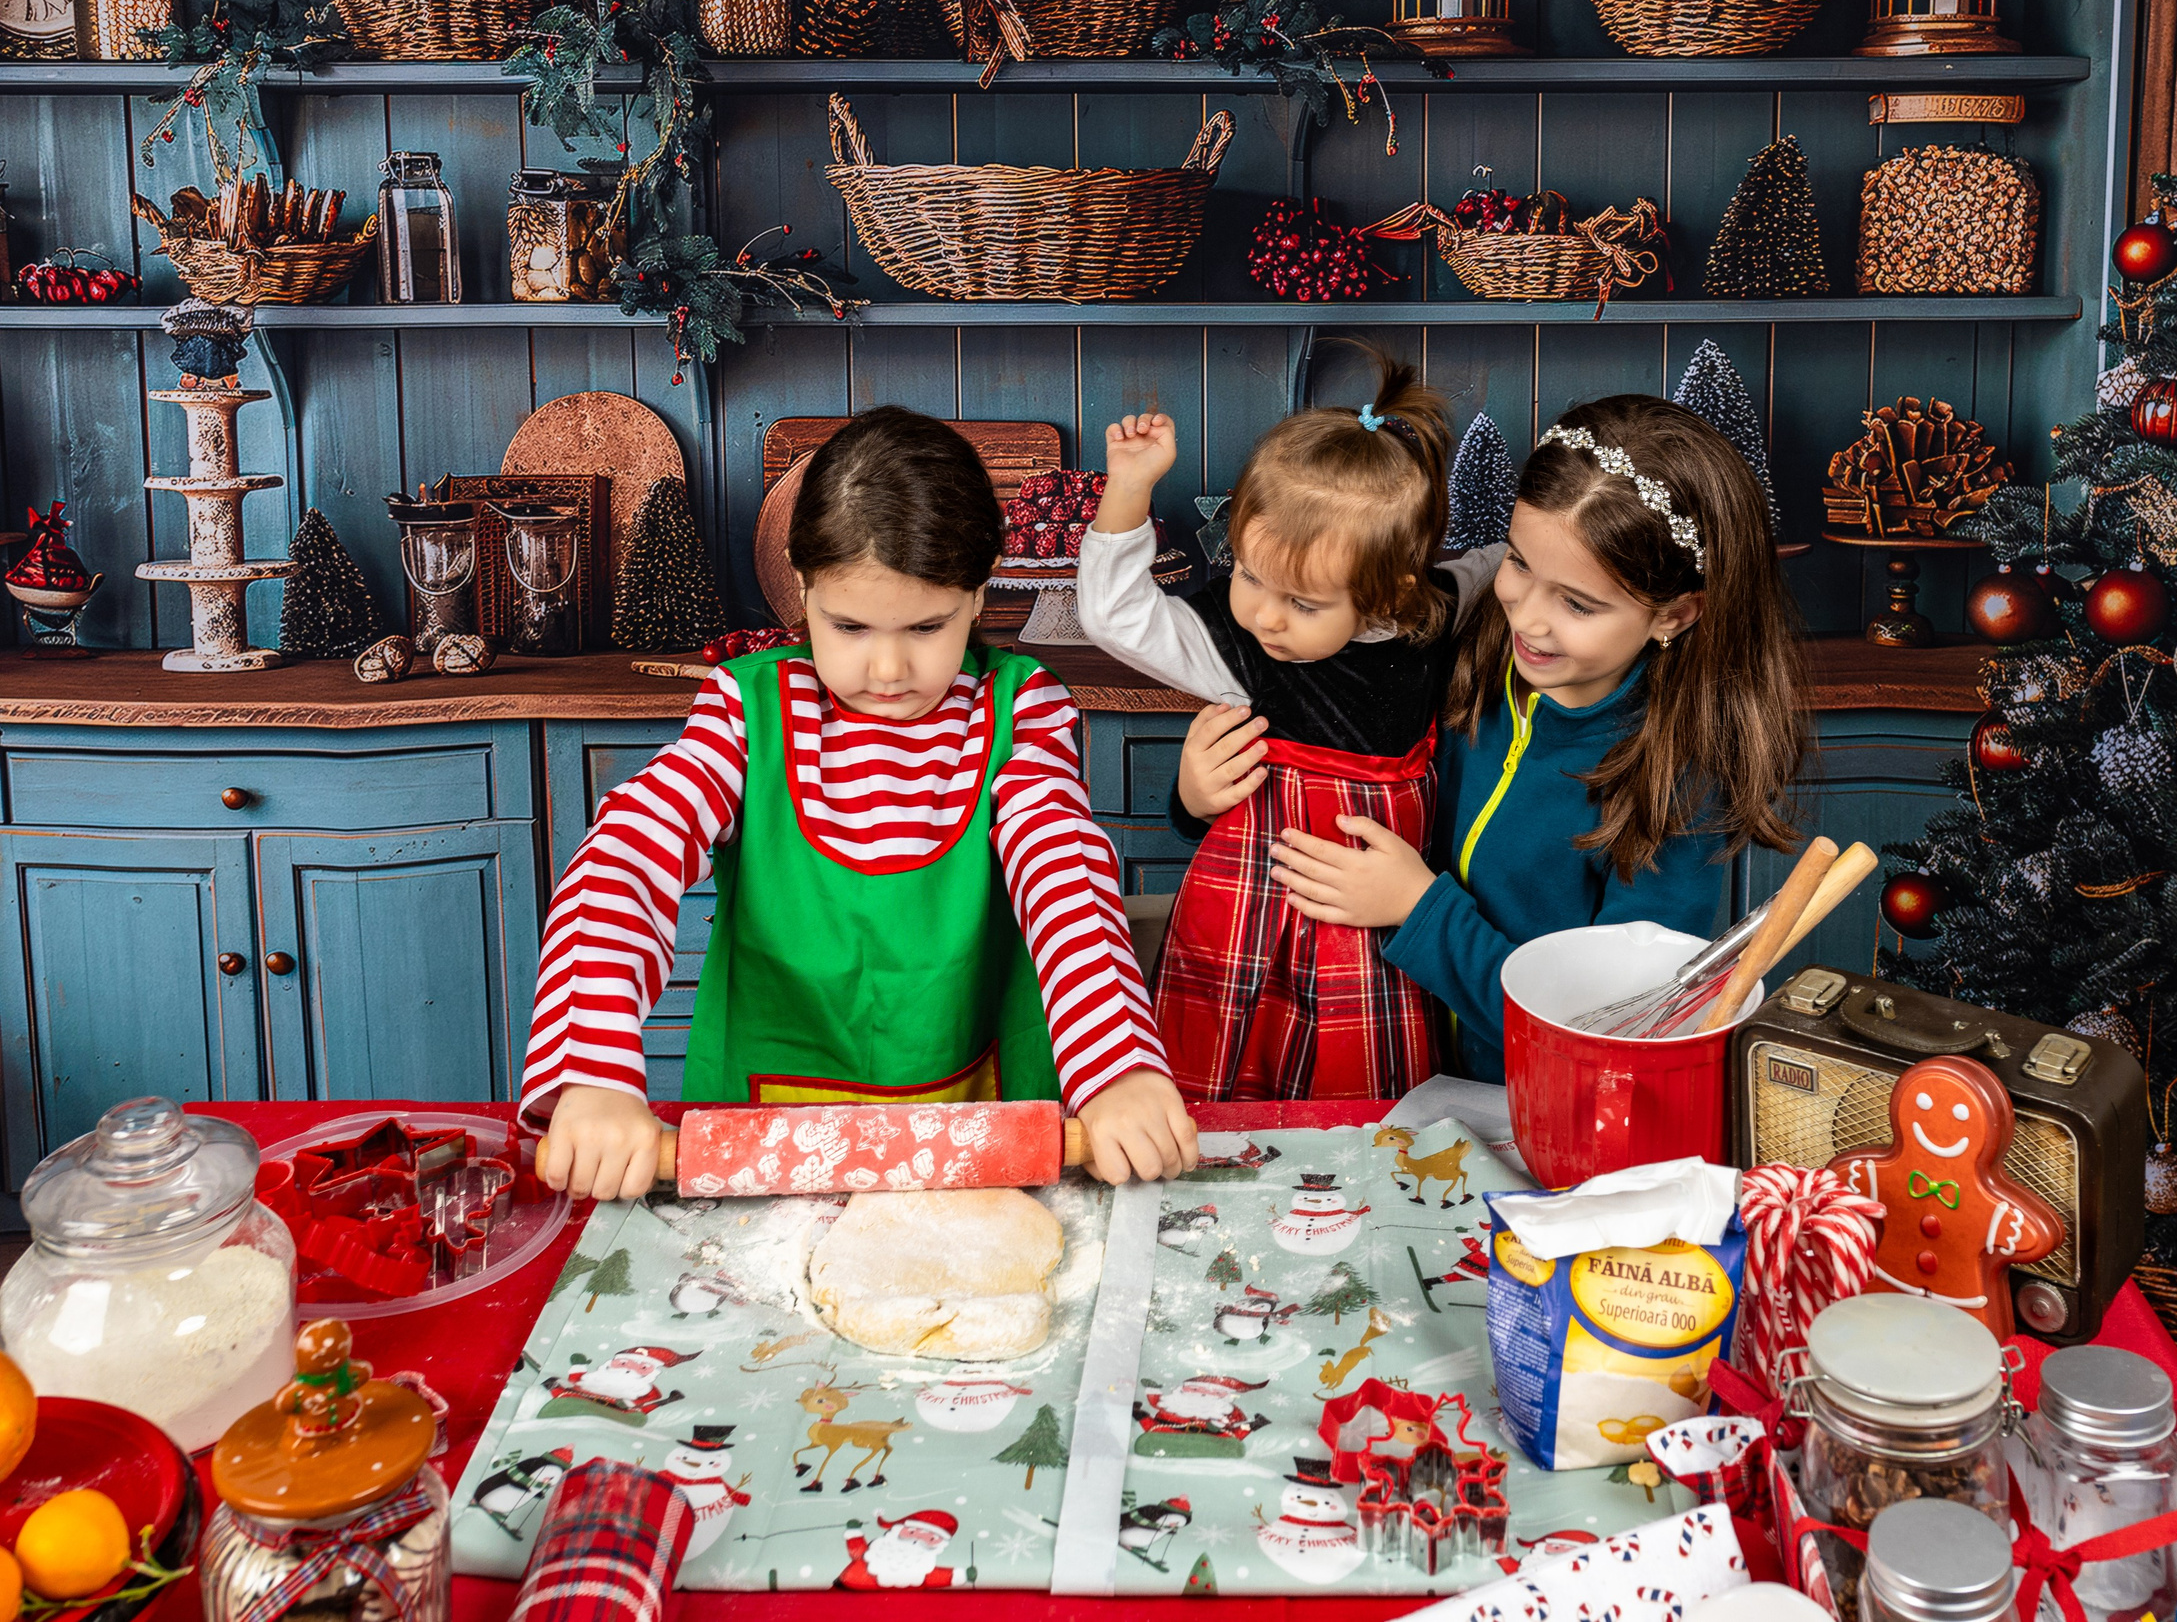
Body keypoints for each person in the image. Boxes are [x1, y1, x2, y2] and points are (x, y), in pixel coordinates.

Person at [525, 407, 1197, 1196]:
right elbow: (625, 855)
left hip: (979, 1150)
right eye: (847, 625)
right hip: (764, 1147)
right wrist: (591, 1074)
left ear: (979, 594)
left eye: (925, 625)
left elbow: (1067, 882)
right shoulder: (746, 714)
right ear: (802, 588)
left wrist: (1118, 1069)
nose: (886, 666)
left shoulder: (1024, 713)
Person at [1258, 394, 1807, 1078]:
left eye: (1578, 603)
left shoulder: (1676, 782)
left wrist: (1418, 908)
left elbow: (1607, 1034)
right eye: (1518, 564)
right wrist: (1197, 798)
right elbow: (1320, 774)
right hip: (1386, 1068)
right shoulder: (1463, 656)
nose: (1529, 619)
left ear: (1675, 614)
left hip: (1533, 1113)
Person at [1077, 353, 1501, 1101]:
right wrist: (1130, 488)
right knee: (1225, 1086)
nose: (1266, 615)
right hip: (1249, 921)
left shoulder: (1431, 611)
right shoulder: (1237, 646)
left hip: (1368, 926)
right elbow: (1114, 614)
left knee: (1364, 1101)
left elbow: (1497, 566)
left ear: (1387, 594)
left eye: (1304, 604)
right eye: (1246, 573)